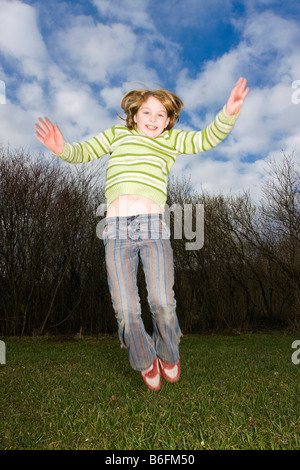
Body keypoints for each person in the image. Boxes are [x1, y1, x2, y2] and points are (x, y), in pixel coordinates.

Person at [35, 77, 249, 391]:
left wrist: (228, 112)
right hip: (116, 228)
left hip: (152, 225)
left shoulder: (170, 141)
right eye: (147, 113)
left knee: (162, 301)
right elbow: (82, 152)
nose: (153, 119)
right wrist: (62, 148)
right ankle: (144, 357)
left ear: (169, 121)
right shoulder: (117, 134)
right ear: (134, 115)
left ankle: (167, 351)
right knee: (125, 308)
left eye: (161, 115)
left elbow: (206, 139)